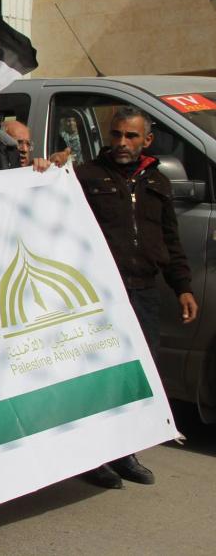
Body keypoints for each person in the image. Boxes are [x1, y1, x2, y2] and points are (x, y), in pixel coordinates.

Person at [73, 108, 197, 490]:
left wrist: (183, 287)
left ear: (147, 140)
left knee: (136, 376)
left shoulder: (158, 181)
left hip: (144, 292)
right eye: (116, 135)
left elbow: (170, 240)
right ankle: (94, 458)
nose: (122, 143)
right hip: (102, 294)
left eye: (130, 136)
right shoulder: (85, 177)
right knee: (100, 376)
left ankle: (124, 452)